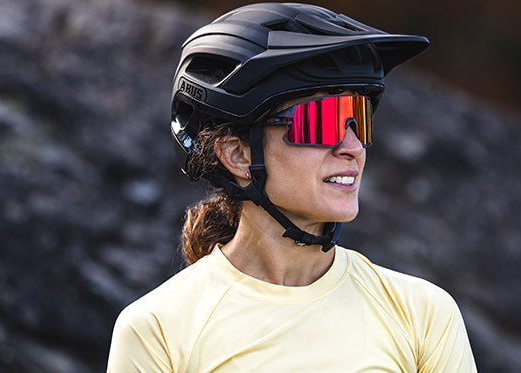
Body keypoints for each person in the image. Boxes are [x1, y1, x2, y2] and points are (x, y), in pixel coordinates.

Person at [107, 3, 477, 372]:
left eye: (358, 119)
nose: (352, 146)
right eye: (321, 123)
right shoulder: (157, 330)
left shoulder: (423, 314)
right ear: (237, 154)